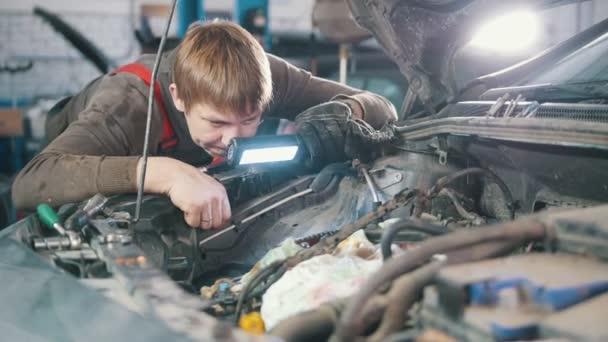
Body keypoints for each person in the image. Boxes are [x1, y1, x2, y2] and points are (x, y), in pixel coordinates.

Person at [12, 21, 397, 230]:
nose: (233, 139)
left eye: (249, 120)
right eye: (216, 122)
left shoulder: (260, 79)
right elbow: (31, 182)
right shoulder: (127, 105)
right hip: (70, 183)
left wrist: (349, 113)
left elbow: (382, 106)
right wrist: (164, 174)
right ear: (180, 97)